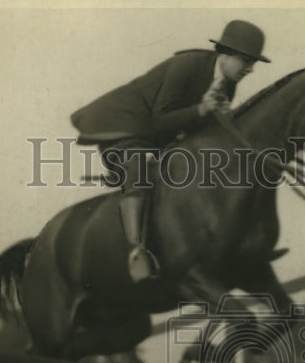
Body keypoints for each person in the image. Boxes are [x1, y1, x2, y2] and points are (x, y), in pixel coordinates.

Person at [71, 20, 270, 281]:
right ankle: (137, 252)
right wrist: (201, 110)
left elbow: (201, 133)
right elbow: (159, 121)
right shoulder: (186, 65)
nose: (251, 69)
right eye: (246, 60)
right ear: (226, 53)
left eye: (253, 62)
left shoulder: (228, 86)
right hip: (120, 124)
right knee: (140, 165)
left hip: (155, 134)